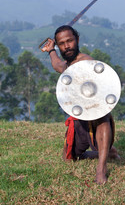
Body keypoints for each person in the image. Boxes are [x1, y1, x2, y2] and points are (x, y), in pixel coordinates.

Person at [42, 25, 120, 184]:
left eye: (69, 41)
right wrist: (51, 51)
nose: (66, 46)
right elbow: (58, 66)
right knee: (69, 158)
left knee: (102, 117)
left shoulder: (87, 62)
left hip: (97, 117)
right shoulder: (68, 65)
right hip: (80, 118)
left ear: (77, 40)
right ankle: (108, 153)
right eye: (62, 43)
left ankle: (101, 169)